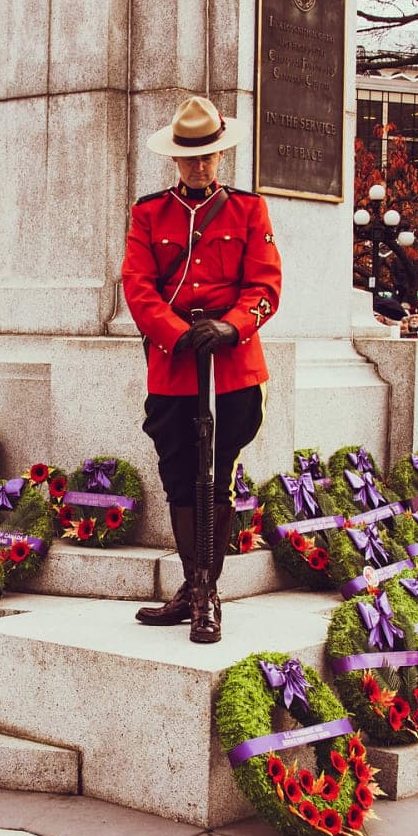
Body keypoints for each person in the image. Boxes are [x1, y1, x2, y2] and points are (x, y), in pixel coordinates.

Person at [122, 95, 281, 643]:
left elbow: (265, 285)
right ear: (175, 160)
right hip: (174, 366)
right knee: (180, 477)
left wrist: (232, 326)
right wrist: (177, 334)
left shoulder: (248, 209)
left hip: (233, 366)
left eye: (209, 156)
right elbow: (138, 288)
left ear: (220, 156)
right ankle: (193, 587)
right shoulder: (149, 212)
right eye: (190, 158)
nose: (199, 166)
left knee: (220, 473)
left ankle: (208, 591)